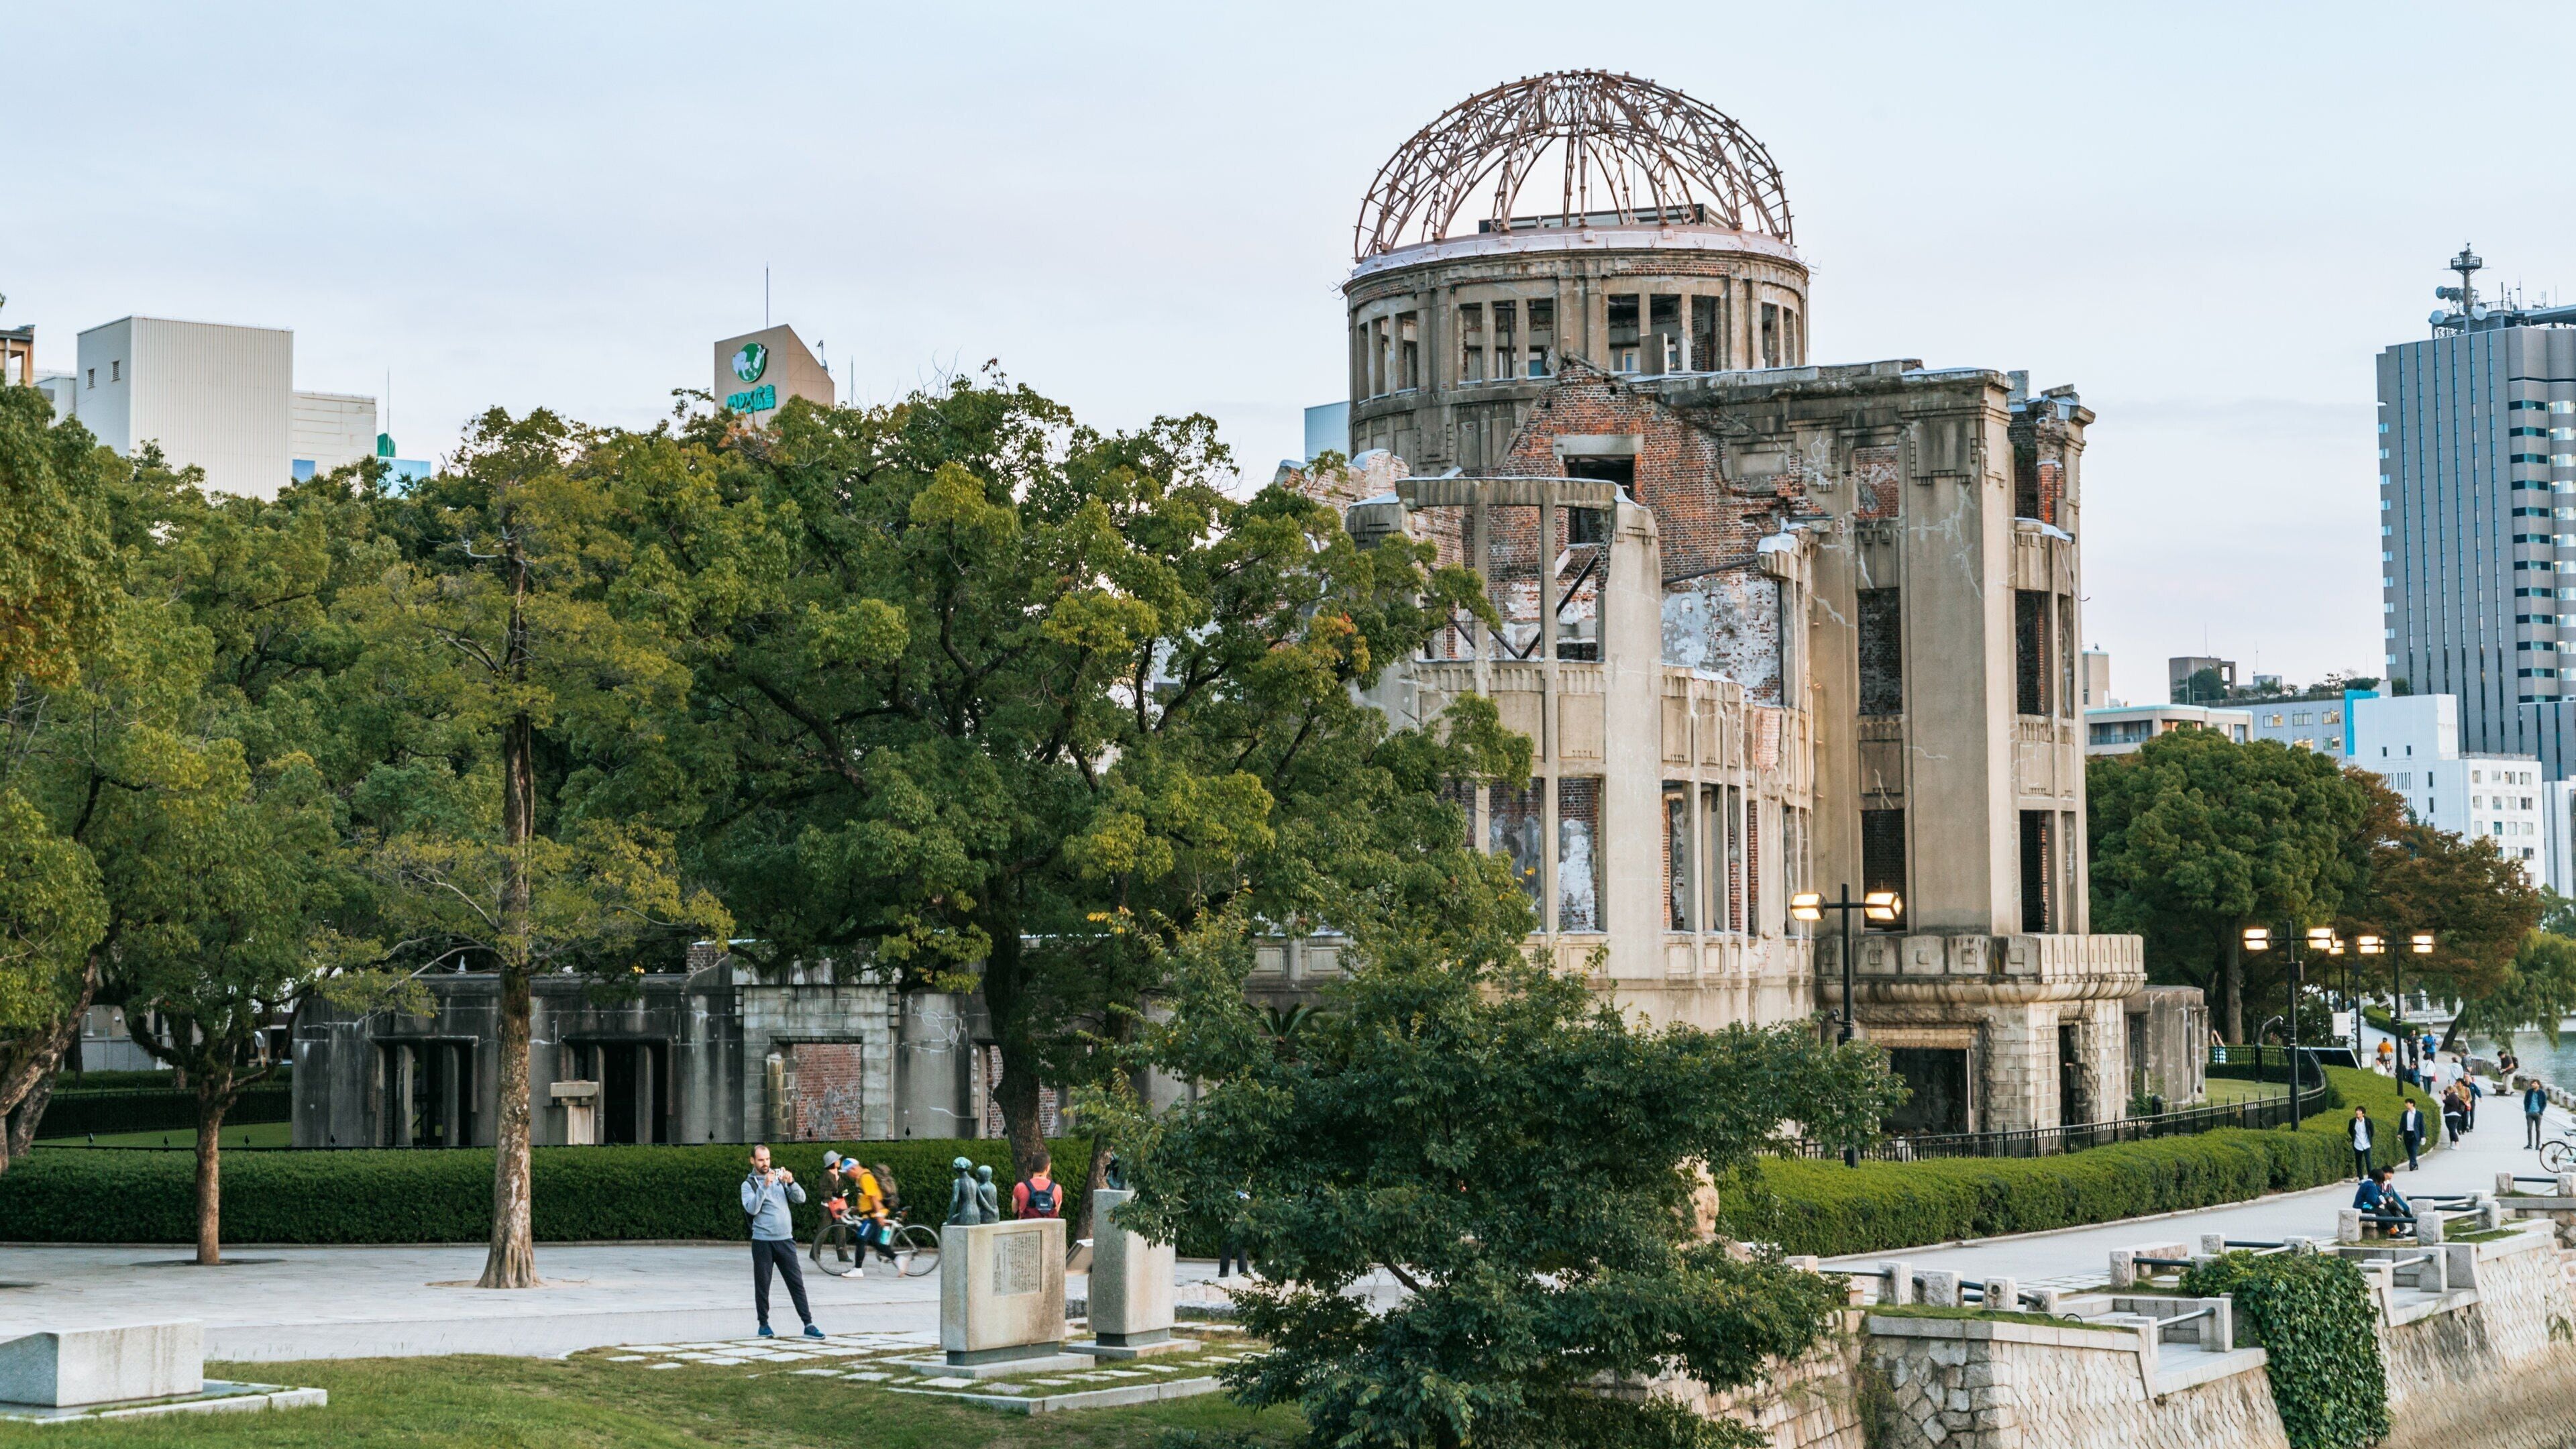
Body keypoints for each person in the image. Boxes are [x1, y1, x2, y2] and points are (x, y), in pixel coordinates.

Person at [741, 1144, 824, 1339]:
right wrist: (764, 1186)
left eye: (768, 1159)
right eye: (761, 1160)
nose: (765, 1164)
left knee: (796, 1283)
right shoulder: (749, 1184)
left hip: (785, 1240)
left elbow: (801, 1198)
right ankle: (764, 1324)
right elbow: (752, 1209)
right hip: (763, 1242)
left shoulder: (779, 1179)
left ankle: (808, 1324)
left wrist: (791, 1182)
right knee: (763, 1284)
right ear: (752, 1160)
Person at [1012, 1152, 1064, 1220]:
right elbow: (1056, 1212)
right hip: (1048, 1228)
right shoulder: (1057, 1188)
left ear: (1032, 1166)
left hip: (1027, 1228)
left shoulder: (1020, 1187)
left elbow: (1014, 1210)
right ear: (1048, 1167)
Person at [2398, 1097, 2425, 1172]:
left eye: (2408, 1103)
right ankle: (2415, 1164)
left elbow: (2422, 1126)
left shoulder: (2419, 1114)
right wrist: (2399, 1133)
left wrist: (2423, 1136)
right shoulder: (2404, 1114)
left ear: (2412, 1104)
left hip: (2415, 1134)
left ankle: (2412, 1164)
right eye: (2406, 1103)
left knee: (2413, 1149)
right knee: (2409, 1150)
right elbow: (2402, 1125)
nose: (2406, 1105)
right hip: (2407, 1134)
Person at [2349, 1105, 2375, 1181]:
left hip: (2367, 1144)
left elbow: (2372, 1132)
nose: (2357, 1112)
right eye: (2357, 1111)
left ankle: (2371, 1178)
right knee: (2358, 1162)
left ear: (2363, 1114)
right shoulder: (2352, 1121)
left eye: (2360, 1111)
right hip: (2357, 1144)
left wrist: (2369, 1139)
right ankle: (2361, 1178)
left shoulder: (2368, 1121)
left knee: (2368, 1161)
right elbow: (2351, 1131)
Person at [2528, 1077, 2551, 1151]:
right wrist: (2527, 1111)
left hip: (2538, 1114)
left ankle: (2538, 1145)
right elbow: (2526, 1102)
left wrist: (2541, 1112)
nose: (2533, 1085)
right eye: (2532, 1083)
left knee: (2538, 1130)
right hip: (2530, 1113)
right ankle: (2529, 1144)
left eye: (2535, 1083)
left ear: (2538, 1085)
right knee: (2529, 1129)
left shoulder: (2542, 1093)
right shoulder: (2529, 1092)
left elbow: (2545, 1103)